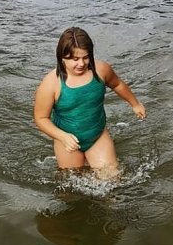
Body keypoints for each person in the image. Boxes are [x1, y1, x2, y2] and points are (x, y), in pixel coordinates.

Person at [34, 27, 146, 176]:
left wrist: (135, 104)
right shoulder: (51, 83)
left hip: (97, 135)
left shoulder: (101, 70)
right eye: (75, 59)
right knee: (71, 186)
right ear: (62, 57)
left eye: (86, 57)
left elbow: (117, 84)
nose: (81, 64)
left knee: (113, 180)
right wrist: (62, 136)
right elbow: (40, 118)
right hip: (67, 141)